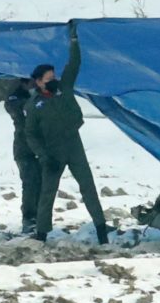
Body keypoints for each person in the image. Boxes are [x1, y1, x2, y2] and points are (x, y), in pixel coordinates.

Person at [26, 21, 110, 244]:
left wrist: (74, 40)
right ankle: (41, 234)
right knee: (47, 192)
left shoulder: (64, 88)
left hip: (74, 144)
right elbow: (31, 134)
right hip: (52, 151)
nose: (53, 80)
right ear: (39, 82)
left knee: (88, 187)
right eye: (49, 79)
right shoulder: (34, 105)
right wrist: (43, 156)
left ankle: (102, 230)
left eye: (54, 77)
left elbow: (74, 64)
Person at [3, 79, 43, 234]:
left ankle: (41, 218)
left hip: (43, 148)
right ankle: (29, 219)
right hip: (24, 149)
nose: (33, 85)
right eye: (30, 83)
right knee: (30, 182)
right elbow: (19, 111)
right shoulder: (15, 97)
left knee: (43, 184)